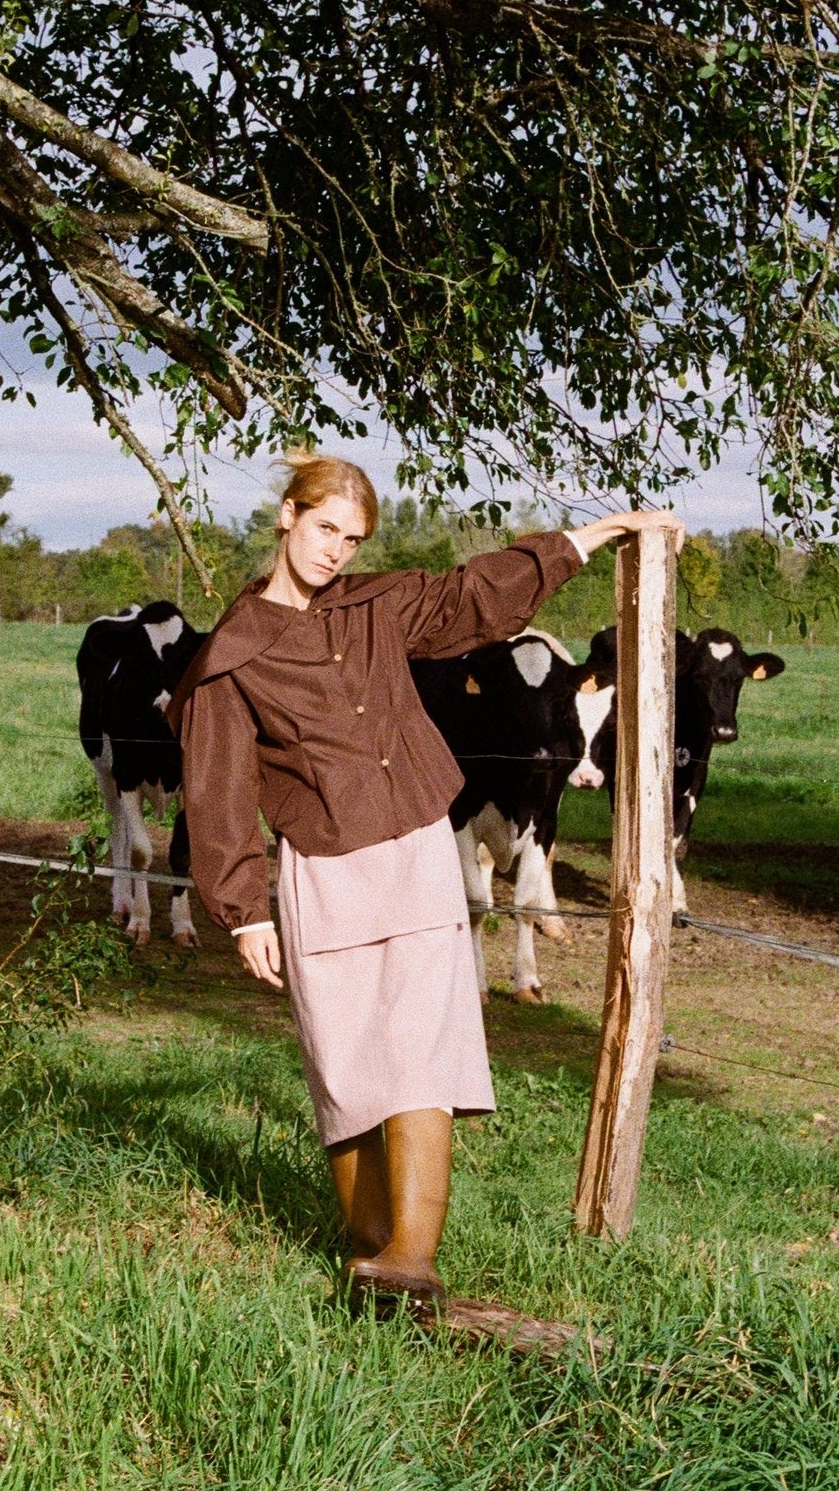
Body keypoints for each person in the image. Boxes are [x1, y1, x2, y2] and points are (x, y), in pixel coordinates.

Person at [166, 452, 680, 1307]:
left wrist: (597, 536)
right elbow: (216, 790)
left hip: (414, 854)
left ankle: (414, 1258)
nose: (336, 550)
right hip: (321, 871)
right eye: (325, 527)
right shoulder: (233, 653)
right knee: (345, 1065)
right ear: (287, 517)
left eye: (353, 538)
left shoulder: (375, 606)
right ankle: (370, 1252)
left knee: (419, 1055)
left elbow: (478, 592)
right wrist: (244, 912)